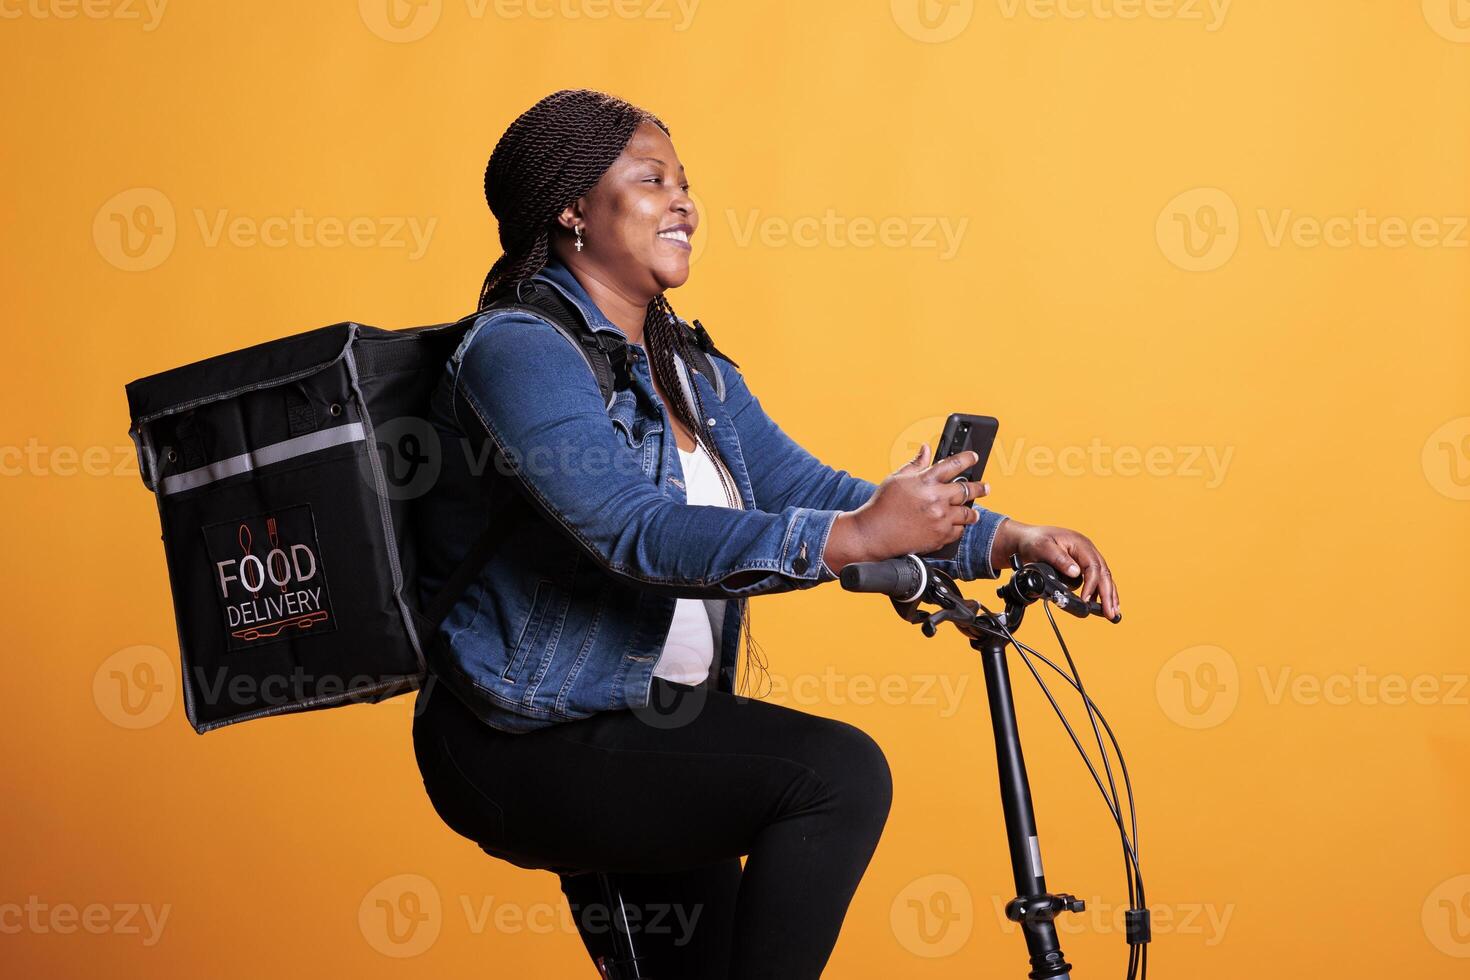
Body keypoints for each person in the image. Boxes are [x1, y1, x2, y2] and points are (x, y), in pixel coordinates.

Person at [410, 88, 1120, 979]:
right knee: (836, 776)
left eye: (686, 183)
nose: (685, 202)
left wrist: (1007, 540)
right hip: (525, 739)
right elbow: (636, 532)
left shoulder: (689, 369)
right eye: (651, 180)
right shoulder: (519, 351)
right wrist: (853, 537)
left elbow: (810, 489)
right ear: (571, 207)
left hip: (659, 725)